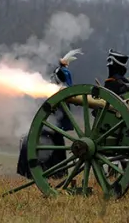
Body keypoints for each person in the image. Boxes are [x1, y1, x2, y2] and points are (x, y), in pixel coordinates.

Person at [16, 49, 81, 180]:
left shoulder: (60, 75)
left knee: (47, 142)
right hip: (53, 119)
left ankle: (47, 173)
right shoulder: (61, 74)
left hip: (53, 118)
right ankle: (53, 173)